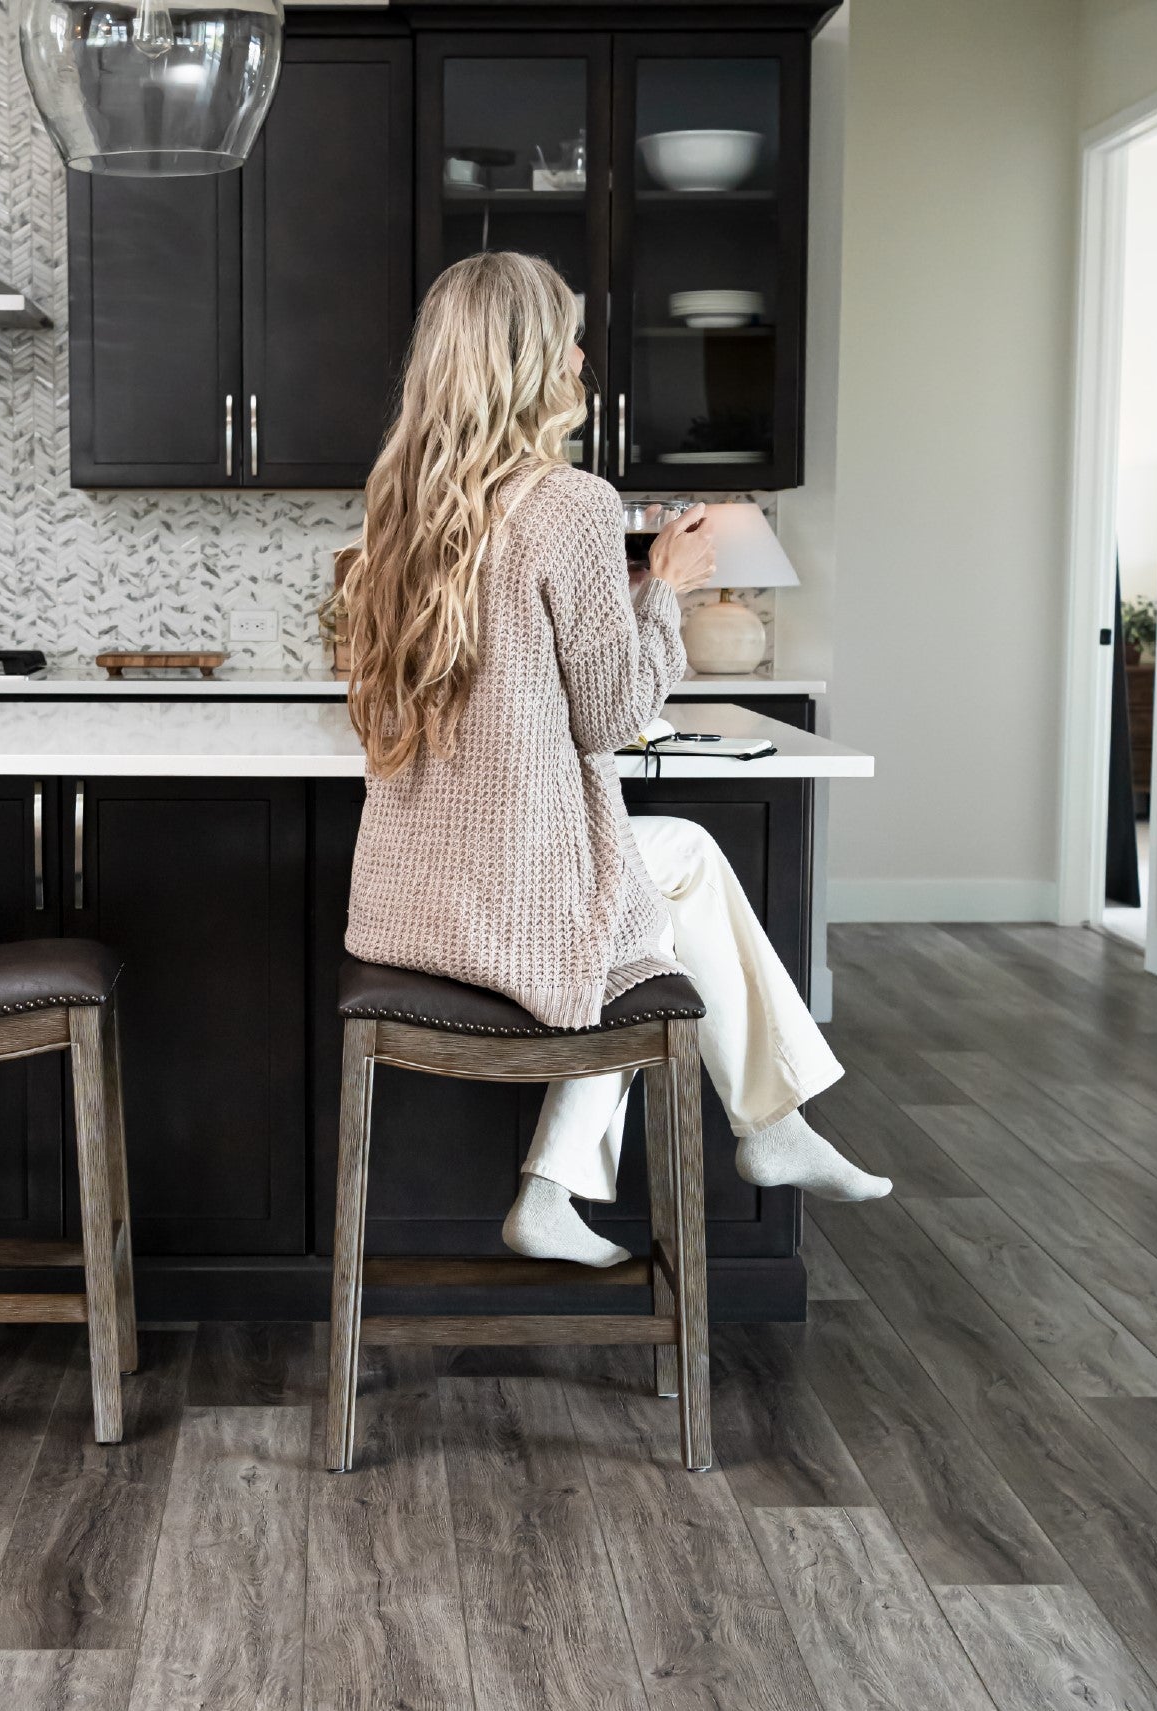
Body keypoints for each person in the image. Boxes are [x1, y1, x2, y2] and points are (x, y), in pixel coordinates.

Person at [341, 250, 889, 1270]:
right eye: (571, 337)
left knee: (667, 872)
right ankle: (756, 1127)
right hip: (513, 902)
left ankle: (628, 1168)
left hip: (406, 899)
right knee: (659, 903)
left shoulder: (400, 504)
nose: (587, 356)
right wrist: (665, 585)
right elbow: (613, 717)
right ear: (533, 360)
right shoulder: (569, 502)